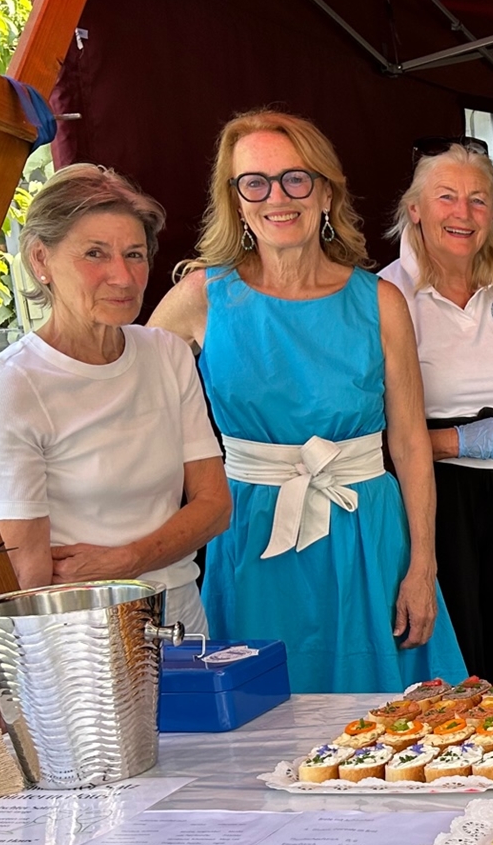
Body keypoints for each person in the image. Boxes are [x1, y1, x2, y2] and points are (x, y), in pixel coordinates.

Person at [150, 109, 465, 692]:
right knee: (255, 721)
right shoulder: (201, 298)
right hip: (249, 537)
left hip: (365, 532)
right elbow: (133, 411)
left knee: (388, 725)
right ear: (237, 200)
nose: (278, 197)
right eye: (256, 182)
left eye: (297, 178)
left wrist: (423, 566)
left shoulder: (382, 302)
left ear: (325, 191)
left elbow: (410, 444)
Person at [0, 165, 229, 633]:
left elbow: (214, 505)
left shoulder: (166, 354)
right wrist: (7, 681)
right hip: (82, 635)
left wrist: (125, 560)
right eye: (95, 253)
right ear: (40, 260)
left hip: (182, 620)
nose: (123, 276)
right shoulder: (14, 383)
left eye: (134, 254)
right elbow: (23, 561)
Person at [379, 139, 493, 681]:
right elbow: (372, 432)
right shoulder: (385, 294)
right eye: (447, 197)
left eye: (479, 200)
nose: (463, 213)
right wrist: (456, 443)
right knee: (456, 661)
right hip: (434, 495)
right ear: (415, 208)